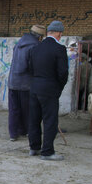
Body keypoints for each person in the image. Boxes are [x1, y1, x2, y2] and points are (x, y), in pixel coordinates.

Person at [27, 20, 68, 161]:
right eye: (61, 34)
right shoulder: (59, 49)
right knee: (50, 120)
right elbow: (63, 73)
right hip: (50, 89)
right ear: (58, 33)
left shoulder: (35, 48)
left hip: (34, 87)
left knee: (34, 119)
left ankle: (34, 147)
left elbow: (30, 69)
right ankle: (47, 152)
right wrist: (59, 88)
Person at [7, 24, 45, 141]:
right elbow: (32, 66)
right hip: (25, 84)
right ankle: (26, 130)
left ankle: (13, 133)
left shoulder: (19, 43)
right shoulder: (35, 46)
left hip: (13, 82)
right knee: (27, 110)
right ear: (40, 37)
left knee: (14, 109)